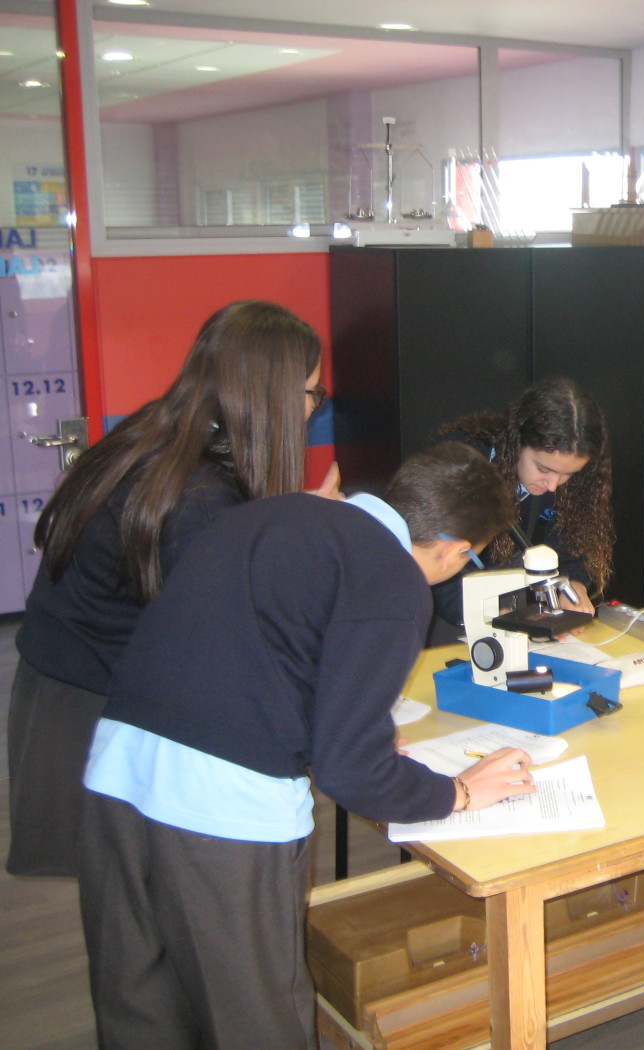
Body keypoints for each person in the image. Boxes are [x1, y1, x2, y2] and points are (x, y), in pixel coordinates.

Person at [77, 442, 531, 1050]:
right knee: (254, 1019)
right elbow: (351, 773)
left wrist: (344, 726)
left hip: (116, 772)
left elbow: (252, 648)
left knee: (141, 1003)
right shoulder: (393, 578)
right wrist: (458, 791)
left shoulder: (273, 512)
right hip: (222, 811)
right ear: (455, 548)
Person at [7, 299, 338, 878]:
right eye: (312, 394)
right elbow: (227, 646)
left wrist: (288, 519)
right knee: (152, 905)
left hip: (74, 684)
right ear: (267, 396)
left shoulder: (165, 435)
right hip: (94, 712)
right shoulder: (199, 497)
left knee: (134, 921)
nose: (314, 408)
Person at [431, 377, 614, 638]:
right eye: (543, 469)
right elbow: (438, 575)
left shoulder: (562, 480)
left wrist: (573, 585)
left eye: (568, 475)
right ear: (516, 442)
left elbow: (571, 541)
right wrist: (509, 617)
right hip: (444, 621)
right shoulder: (458, 470)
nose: (553, 485)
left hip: (512, 612)